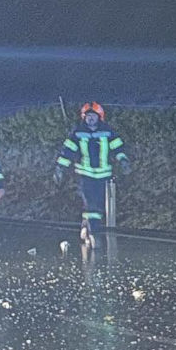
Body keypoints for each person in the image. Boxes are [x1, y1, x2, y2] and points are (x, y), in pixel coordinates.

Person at [55, 102, 131, 245]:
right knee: (90, 204)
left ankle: (86, 229)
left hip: (104, 176)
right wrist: (60, 168)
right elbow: (67, 151)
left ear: (99, 117)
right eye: (88, 116)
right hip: (85, 175)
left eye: (93, 116)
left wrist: (123, 161)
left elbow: (118, 148)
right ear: (84, 117)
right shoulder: (77, 133)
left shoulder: (108, 132)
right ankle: (94, 234)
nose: (90, 119)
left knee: (98, 205)